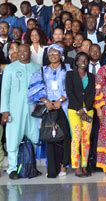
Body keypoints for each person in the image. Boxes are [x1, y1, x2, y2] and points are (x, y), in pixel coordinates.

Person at [28, 44, 71, 178]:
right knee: (50, 137)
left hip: (63, 106)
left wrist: (61, 100)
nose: (53, 56)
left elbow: (71, 87)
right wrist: (46, 101)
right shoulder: (42, 70)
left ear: (61, 55)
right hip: (48, 108)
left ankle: (64, 166)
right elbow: (33, 89)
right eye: (50, 54)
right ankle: (52, 167)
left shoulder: (68, 69)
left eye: (56, 53)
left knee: (64, 136)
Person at [0, 44, 41, 180]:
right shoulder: (10, 68)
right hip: (14, 110)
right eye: (20, 51)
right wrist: (5, 110)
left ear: (30, 52)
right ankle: (12, 169)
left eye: (25, 51)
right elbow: (5, 90)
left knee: (35, 137)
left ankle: (31, 166)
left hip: (33, 109)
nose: (23, 53)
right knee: (13, 138)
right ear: (17, 53)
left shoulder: (37, 68)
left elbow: (41, 89)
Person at [66, 52, 96, 177]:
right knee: (76, 138)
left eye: (86, 60)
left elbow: (92, 93)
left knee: (86, 139)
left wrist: (85, 108)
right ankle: (76, 166)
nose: (83, 61)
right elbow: (69, 92)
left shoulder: (91, 76)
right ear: (76, 62)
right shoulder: (70, 75)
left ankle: (84, 165)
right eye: (81, 59)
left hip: (88, 111)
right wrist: (79, 108)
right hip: (74, 110)